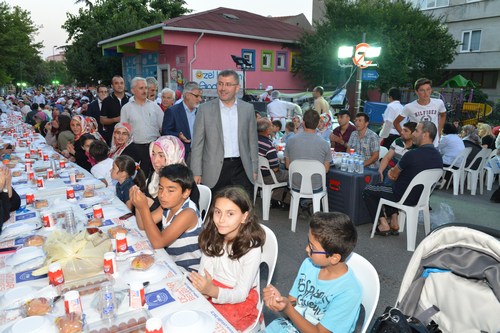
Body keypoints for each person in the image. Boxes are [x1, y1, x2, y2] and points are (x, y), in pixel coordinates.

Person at [263, 212, 361, 333]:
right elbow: (294, 302)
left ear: (334, 258)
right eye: (308, 242)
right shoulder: (309, 264)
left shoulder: (349, 292)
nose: (307, 249)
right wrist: (282, 302)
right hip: (290, 327)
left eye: (313, 247)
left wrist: (287, 308)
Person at [189, 186, 265, 331]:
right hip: (212, 290)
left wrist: (212, 291)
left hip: (239, 300)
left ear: (244, 217)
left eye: (230, 214)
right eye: (218, 212)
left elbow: (241, 293)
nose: (221, 220)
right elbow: (204, 273)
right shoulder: (212, 236)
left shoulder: (251, 248)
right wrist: (204, 290)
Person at [363, 121, 443, 235]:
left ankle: (383, 224)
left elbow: (393, 174)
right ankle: (394, 221)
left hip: (402, 195)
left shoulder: (411, 155)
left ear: (425, 134)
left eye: (416, 130)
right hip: (422, 198)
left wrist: (393, 172)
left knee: (369, 190)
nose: (414, 134)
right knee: (388, 187)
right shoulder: (438, 157)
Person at [190, 69, 258, 198]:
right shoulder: (205, 110)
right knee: (214, 210)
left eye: (228, 84)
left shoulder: (247, 109)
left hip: (242, 168)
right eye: (220, 83)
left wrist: (254, 168)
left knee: (243, 209)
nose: (223, 88)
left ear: (237, 88)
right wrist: (196, 172)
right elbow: (197, 144)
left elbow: (252, 142)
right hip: (214, 169)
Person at [129, 164, 202, 273]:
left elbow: (158, 243)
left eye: (170, 190)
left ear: (186, 192)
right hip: (170, 261)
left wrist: (144, 208)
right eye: (161, 188)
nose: (162, 195)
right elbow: (142, 225)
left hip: (188, 271)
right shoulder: (167, 206)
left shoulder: (188, 213)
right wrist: (139, 206)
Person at [121, 77, 164, 176]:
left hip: (153, 148)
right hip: (135, 148)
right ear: (132, 90)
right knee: (139, 178)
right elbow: (123, 130)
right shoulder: (126, 108)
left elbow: (163, 126)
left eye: (145, 88)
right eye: (141, 88)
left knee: (154, 177)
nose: (145, 91)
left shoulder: (155, 107)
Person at [146, 136, 200, 211]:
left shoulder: (183, 181)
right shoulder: (154, 176)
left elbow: (177, 214)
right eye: (153, 154)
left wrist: (150, 205)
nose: (155, 160)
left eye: (161, 155)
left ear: (173, 155)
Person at [285, 109, 331, 192]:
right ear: (317, 124)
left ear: (303, 122)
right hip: (316, 187)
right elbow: (326, 169)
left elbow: (288, 166)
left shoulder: (290, 141)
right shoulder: (325, 144)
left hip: (295, 185)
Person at [393, 78, 446, 147]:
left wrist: (439, 132)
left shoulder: (439, 103)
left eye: (428, 89)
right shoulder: (409, 107)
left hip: (434, 144)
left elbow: (443, 115)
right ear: (416, 92)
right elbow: (396, 122)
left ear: (431, 90)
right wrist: (405, 136)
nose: (426, 93)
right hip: (416, 144)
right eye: (422, 90)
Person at [161, 81, 202, 160]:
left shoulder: (200, 111)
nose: (200, 99)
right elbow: (165, 132)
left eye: (200, 96)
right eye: (197, 96)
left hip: (198, 155)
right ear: (187, 95)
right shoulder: (173, 111)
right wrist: (178, 136)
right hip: (181, 156)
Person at [257, 118, 289, 206]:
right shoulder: (269, 145)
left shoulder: (254, 140)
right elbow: (275, 169)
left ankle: (276, 199)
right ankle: (289, 201)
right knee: (293, 174)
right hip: (267, 176)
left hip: (257, 174)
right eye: (271, 126)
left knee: (282, 169)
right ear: (267, 130)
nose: (272, 127)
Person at [378, 122, 418, 186]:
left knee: (385, 185)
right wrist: (380, 171)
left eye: (405, 131)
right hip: (391, 169)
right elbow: (387, 157)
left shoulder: (417, 148)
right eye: (402, 130)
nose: (402, 132)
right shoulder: (398, 141)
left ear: (413, 134)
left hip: (403, 173)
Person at [100, 75, 129, 145]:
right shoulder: (106, 101)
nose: (119, 85)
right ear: (112, 86)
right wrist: (115, 119)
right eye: (116, 83)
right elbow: (102, 120)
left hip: (129, 137)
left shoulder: (130, 100)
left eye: (121, 83)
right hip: (113, 138)